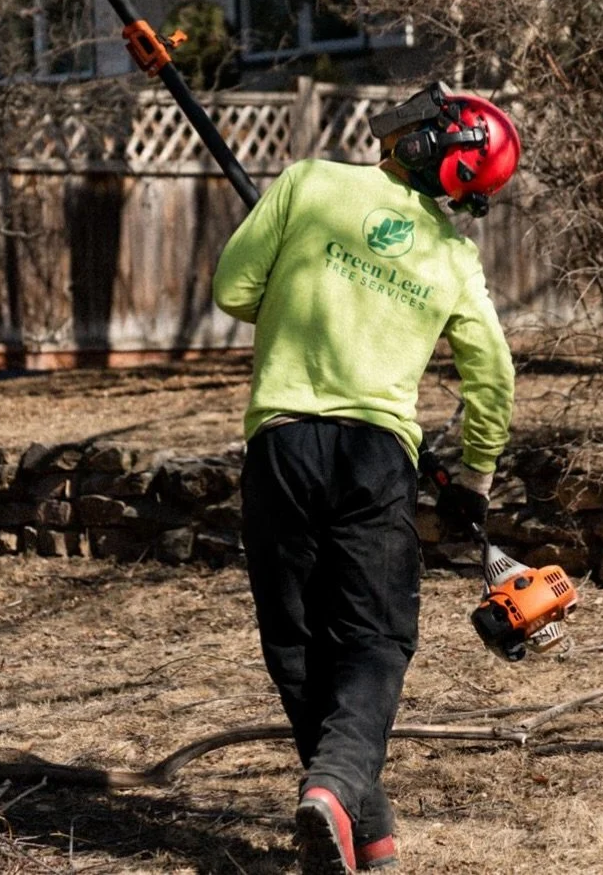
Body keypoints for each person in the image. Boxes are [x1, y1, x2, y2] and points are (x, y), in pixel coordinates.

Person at [211, 82, 520, 875]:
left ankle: (356, 816)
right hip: (376, 456)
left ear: (427, 145)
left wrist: (305, 287)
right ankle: (343, 789)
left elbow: (232, 290)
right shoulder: (452, 256)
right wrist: (475, 477)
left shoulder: (309, 182)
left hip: (280, 444)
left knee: (296, 636)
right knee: (375, 637)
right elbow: (493, 380)